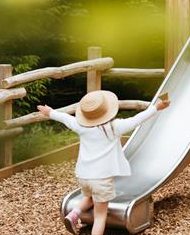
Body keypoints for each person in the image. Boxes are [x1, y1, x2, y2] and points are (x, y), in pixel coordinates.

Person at [37, 90, 170, 235]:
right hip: (101, 179)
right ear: (107, 111)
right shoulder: (114, 127)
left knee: (90, 198)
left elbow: (65, 118)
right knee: (100, 216)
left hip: (84, 176)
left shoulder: (81, 126)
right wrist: (156, 107)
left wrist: (49, 112)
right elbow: (137, 119)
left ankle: (74, 214)